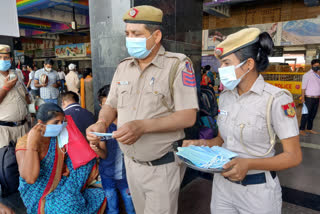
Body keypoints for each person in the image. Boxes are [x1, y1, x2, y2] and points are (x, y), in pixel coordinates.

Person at [87, 5, 198, 214]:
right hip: (131, 164)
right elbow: (110, 105)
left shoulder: (177, 65)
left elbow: (188, 116)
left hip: (161, 167)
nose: (130, 39)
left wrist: (143, 126)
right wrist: (101, 122)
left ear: (156, 36)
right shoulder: (123, 67)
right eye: (127, 34)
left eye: (136, 34)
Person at [183, 28, 302, 214]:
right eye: (220, 63)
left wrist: (248, 164)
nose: (220, 69)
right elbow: (221, 140)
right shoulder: (225, 97)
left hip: (258, 192)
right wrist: (201, 144)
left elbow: (293, 156)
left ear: (249, 64)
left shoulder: (276, 99)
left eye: (226, 63)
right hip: (222, 187)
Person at [15, 103, 106, 214]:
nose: (60, 125)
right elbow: (30, 178)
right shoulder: (24, 143)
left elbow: (70, 157)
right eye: (56, 122)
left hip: (58, 184)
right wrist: (32, 144)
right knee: (66, 208)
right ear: (40, 123)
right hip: (37, 191)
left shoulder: (57, 137)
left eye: (62, 121)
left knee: (94, 196)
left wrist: (65, 169)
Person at [90, 85, 135, 214]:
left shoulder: (129, 125)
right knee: (112, 207)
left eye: (115, 105)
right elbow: (103, 155)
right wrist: (97, 148)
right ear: (100, 106)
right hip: (108, 175)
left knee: (130, 205)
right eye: (107, 106)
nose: (112, 109)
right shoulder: (103, 129)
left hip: (127, 175)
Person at [0, 44, 30, 148]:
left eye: (6, 57)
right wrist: (6, 88)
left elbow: (25, 96)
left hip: (23, 127)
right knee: (7, 161)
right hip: (4, 130)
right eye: (0, 57)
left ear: (11, 59)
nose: (3, 60)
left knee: (24, 161)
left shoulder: (17, 73)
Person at [299, 59, 320, 136]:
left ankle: (309, 128)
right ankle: (301, 129)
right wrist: (303, 98)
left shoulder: (318, 74)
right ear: (312, 65)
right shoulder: (307, 75)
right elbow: (303, 87)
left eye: (318, 66)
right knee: (306, 114)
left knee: (313, 114)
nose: (317, 67)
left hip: (317, 98)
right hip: (309, 98)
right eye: (315, 66)